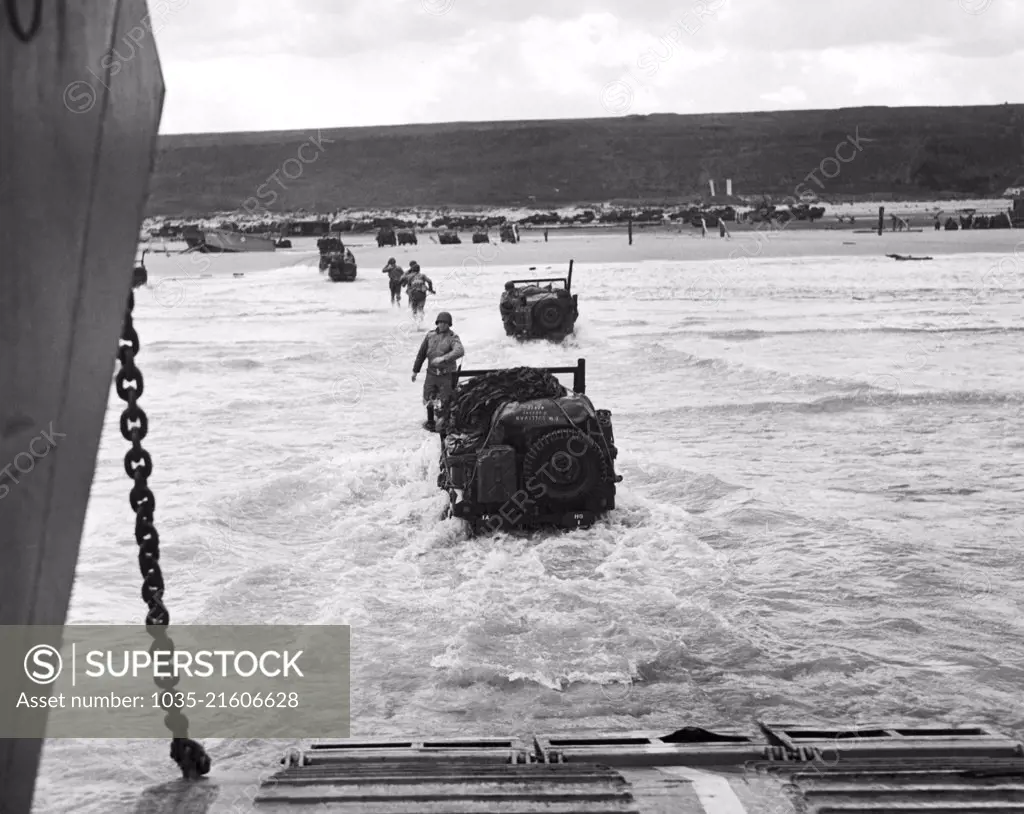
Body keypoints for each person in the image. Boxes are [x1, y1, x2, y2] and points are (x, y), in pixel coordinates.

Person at [411, 312, 464, 431]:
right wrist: (415, 371)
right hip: (431, 374)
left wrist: (443, 358)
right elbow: (421, 354)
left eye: (445, 323)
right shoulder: (430, 336)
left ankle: (444, 424)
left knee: (445, 401)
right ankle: (430, 421)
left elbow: (460, 351)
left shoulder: (452, 337)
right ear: (437, 323)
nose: (442, 325)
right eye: (440, 322)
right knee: (428, 399)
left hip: (446, 375)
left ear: (449, 324)